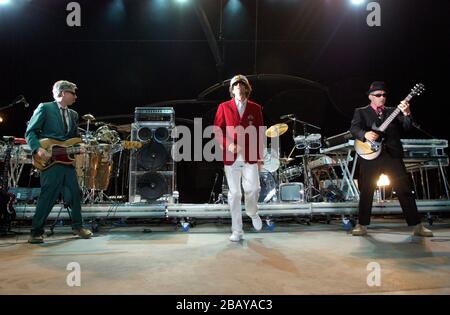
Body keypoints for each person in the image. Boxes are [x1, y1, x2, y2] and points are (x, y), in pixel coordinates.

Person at [349, 81, 433, 237]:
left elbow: (407, 127)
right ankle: (362, 225)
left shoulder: (393, 111)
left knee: (405, 189)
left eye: (384, 95)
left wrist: (407, 113)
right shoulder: (361, 112)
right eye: (378, 95)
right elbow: (354, 128)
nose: (382, 97)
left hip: (392, 155)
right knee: (366, 190)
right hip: (370, 156)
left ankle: (416, 225)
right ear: (370, 97)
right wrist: (365, 135)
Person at [25, 80, 93, 244]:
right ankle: (36, 232)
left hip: (67, 161)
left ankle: (78, 226)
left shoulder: (74, 114)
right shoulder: (45, 108)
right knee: (48, 195)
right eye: (73, 93)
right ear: (63, 93)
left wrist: (80, 146)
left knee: (75, 193)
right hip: (49, 159)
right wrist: (37, 149)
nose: (75, 97)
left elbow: (74, 137)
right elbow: (30, 132)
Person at [214, 74, 265, 241]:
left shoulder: (256, 108)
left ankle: (252, 212)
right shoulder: (224, 107)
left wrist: (260, 157)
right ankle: (237, 231)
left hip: (250, 155)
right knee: (235, 194)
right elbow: (217, 130)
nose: (238, 86)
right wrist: (227, 145)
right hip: (231, 156)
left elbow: (259, 133)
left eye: (241, 83)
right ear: (231, 89)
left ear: (246, 87)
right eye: (235, 84)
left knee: (253, 189)